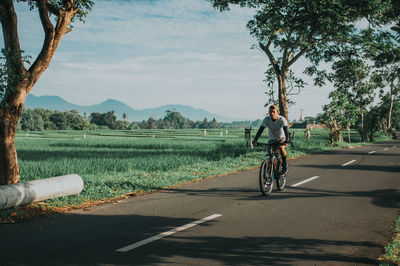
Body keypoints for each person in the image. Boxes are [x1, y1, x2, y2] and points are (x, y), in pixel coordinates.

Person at [252, 105, 290, 175]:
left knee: (281, 148)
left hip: (281, 138)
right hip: (272, 139)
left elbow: (285, 129)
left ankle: (284, 164)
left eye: (273, 112)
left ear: (277, 112)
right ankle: (272, 172)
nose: (271, 113)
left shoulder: (282, 119)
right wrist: (255, 140)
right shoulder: (266, 119)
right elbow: (261, 129)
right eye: (270, 112)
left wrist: (287, 139)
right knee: (270, 157)